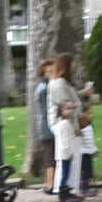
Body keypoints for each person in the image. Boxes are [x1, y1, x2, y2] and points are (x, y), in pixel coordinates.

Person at [44, 52, 92, 202]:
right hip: (63, 124)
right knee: (65, 156)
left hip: (67, 124)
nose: (75, 66)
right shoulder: (59, 84)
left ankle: (69, 189)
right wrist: (75, 125)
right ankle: (63, 192)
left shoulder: (64, 83)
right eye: (73, 63)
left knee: (71, 156)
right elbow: (66, 107)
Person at [25, 55, 59, 188]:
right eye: (49, 71)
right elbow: (49, 108)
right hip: (48, 126)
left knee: (51, 155)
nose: (52, 73)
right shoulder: (46, 88)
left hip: (46, 125)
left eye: (53, 70)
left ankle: (51, 182)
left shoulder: (44, 86)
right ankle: (50, 183)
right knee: (50, 156)